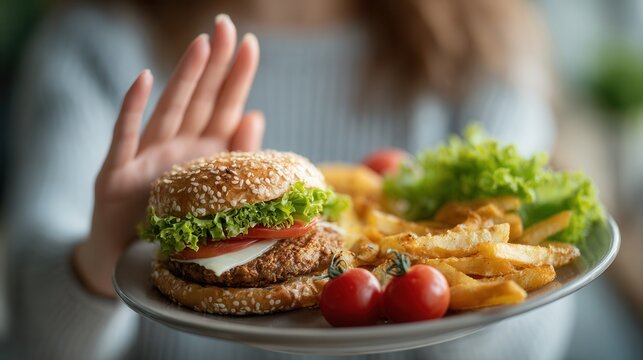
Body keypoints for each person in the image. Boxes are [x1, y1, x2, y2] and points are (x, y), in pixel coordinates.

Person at [5, 0, 569, 359]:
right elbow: (31, 340)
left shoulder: (483, 44)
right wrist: (100, 258)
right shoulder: (97, 39)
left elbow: (536, 329)